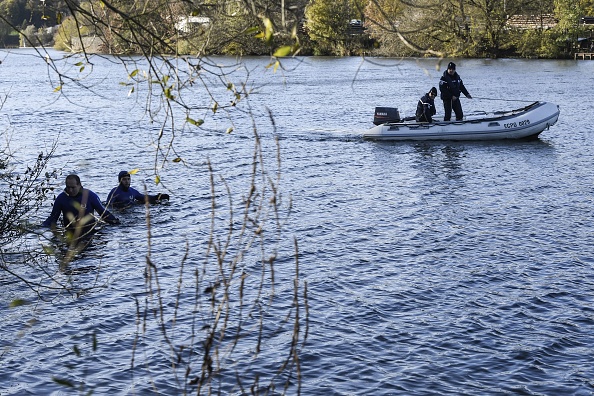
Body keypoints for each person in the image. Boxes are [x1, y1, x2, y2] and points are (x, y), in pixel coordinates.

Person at [42, 174, 120, 238]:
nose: (70, 190)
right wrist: (41, 228)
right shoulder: (61, 199)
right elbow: (53, 218)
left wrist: (116, 223)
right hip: (70, 233)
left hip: (89, 233)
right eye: (68, 187)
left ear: (79, 185)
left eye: (73, 187)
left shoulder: (90, 196)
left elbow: (103, 213)